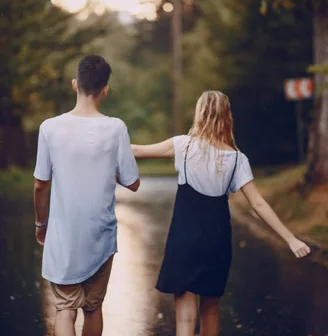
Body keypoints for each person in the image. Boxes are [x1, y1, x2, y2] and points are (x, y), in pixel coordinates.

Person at [131, 90, 311, 336]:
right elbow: (258, 204)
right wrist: (290, 238)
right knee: (210, 310)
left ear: (200, 113)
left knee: (185, 315)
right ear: (227, 116)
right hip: (216, 242)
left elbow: (137, 151)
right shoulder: (237, 159)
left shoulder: (183, 145)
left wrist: (101, 139)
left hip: (184, 240)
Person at [33, 55, 140, 336]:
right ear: (105, 89)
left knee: (64, 309)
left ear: (74, 84)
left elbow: (40, 185)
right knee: (93, 308)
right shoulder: (116, 128)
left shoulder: (49, 128)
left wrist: (41, 225)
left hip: (63, 236)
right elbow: (133, 183)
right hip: (100, 236)